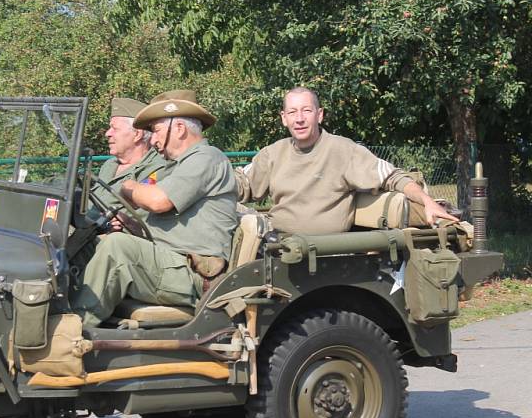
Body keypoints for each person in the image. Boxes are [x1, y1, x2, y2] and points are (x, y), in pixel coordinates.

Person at [73, 90, 238, 327]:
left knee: (117, 247)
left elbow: (159, 201)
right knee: (87, 244)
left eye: (157, 130)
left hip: (193, 272)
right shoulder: (179, 164)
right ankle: (55, 312)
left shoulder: (206, 157)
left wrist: (128, 187)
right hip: (172, 262)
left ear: (179, 128)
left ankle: (74, 332)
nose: (154, 139)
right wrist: (130, 224)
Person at [237, 87, 458, 234]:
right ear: (284, 118)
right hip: (279, 247)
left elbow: (393, 176)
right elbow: (243, 184)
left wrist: (428, 202)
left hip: (328, 254)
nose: (300, 119)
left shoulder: (343, 150)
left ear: (320, 115)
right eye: (293, 112)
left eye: (307, 110)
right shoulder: (273, 154)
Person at [90, 98, 169, 231]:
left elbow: (142, 224)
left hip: (117, 242)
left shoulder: (156, 169)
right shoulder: (110, 165)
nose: (107, 133)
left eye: (114, 129)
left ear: (137, 134)